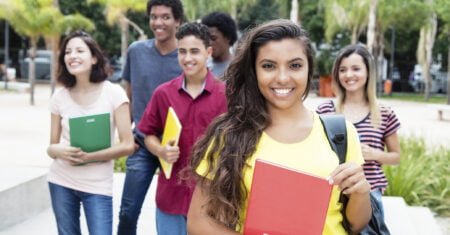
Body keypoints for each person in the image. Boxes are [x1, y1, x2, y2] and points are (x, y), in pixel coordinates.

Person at [187, 19, 372, 235]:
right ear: (254, 72)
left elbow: (357, 224)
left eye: (295, 65)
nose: (283, 78)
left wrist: (361, 192)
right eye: (268, 66)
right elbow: (197, 222)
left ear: (308, 68)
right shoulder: (230, 135)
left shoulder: (341, 133)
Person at [138, 22, 227, 235]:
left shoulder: (226, 96)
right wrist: (160, 150)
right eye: (182, 52)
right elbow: (148, 133)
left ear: (208, 52)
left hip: (211, 200)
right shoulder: (163, 94)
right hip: (171, 197)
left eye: (195, 51)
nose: (187, 58)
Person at [46, 31, 134, 235]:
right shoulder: (59, 97)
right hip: (61, 180)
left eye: (79, 50)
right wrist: (57, 150)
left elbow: (127, 145)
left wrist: (89, 157)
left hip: (98, 185)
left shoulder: (114, 93)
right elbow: (51, 147)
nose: (72, 55)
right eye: (68, 52)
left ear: (94, 58)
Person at [316, 44, 401, 229]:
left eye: (356, 69)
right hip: (333, 190)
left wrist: (374, 154)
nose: (349, 75)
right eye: (343, 70)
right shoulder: (325, 110)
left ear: (368, 72)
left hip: (370, 193)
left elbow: (396, 157)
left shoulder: (384, 113)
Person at [117, 0, 184, 234]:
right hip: (143, 143)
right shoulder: (136, 51)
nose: (158, 22)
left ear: (178, 21)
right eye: (154, 17)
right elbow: (128, 97)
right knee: (128, 212)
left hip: (178, 147)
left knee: (177, 214)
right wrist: (126, 137)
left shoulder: (186, 58)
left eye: (165, 17)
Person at [201, 11, 237, 78]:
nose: (209, 43)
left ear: (228, 38)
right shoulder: (201, 68)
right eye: (205, 38)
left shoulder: (239, 69)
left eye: (213, 38)